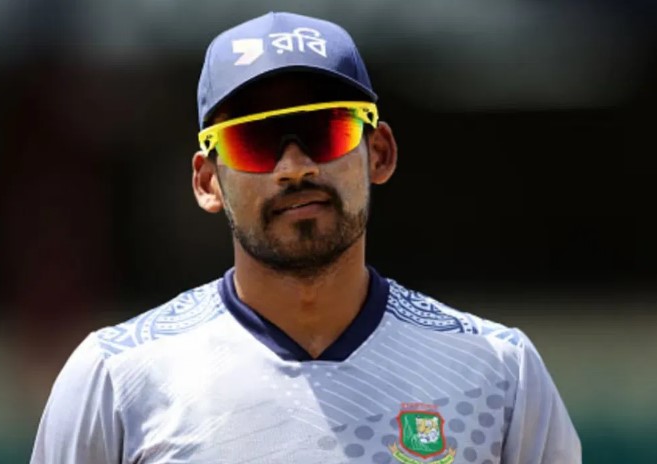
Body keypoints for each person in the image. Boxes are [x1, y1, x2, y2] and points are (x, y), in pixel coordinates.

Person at [30, 11, 581, 464]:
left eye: (325, 130)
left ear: (379, 153)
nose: (295, 167)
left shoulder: (496, 371)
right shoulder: (118, 378)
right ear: (207, 182)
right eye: (253, 141)